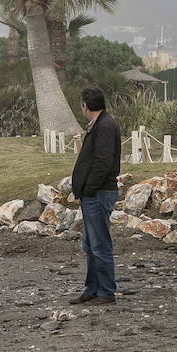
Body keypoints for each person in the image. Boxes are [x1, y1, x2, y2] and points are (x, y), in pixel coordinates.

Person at [69, 86, 122, 305]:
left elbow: (103, 162)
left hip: (99, 193)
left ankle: (106, 292)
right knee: (90, 244)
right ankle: (92, 288)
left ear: (85, 106)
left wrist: (89, 188)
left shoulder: (105, 126)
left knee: (99, 244)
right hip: (93, 194)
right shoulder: (99, 125)